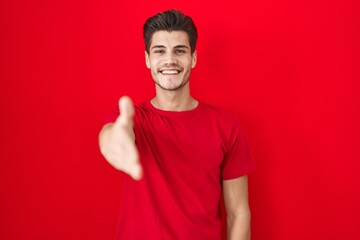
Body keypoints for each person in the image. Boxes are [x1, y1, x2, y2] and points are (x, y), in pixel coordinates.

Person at [99, 9, 255, 240]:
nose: (169, 60)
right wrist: (114, 139)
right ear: (147, 59)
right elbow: (111, 136)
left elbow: (238, 213)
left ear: (193, 58)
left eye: (179, 51)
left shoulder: (226, 125)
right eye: (159, 51)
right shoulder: (131, 119)